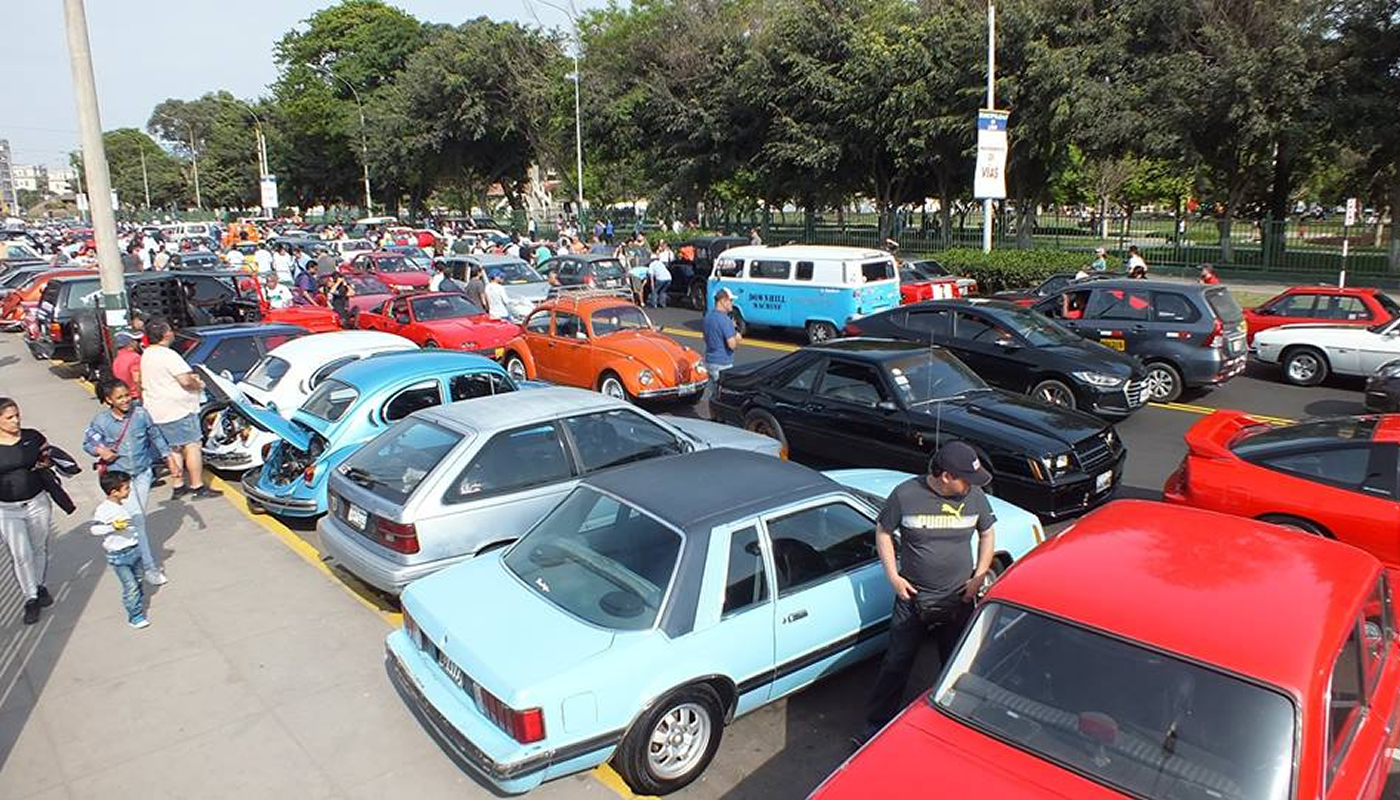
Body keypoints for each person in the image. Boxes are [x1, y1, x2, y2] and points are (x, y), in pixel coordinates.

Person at [859, 441, 997, 741]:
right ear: (946, 476)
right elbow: (883, 531)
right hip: (913, 599)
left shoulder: (974, 496)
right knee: (896, 663)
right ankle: (875, 727)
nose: (972, 486)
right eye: (966, 479)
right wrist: (893, 576)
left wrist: (979, 575)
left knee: (957, 663)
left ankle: (955, 721)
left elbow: (987, 532)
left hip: (959, 598)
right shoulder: (905, 495)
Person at [84, 379, 169, 585]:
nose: (125, 400)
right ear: (108, 400)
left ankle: (131, 552)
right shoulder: (101, 421)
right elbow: (88, 443)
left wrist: (168, 456)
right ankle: (149, 567)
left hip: (142, 474)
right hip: (120, 478)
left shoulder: (141, 414)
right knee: (138, 519)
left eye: (127, 395)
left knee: (136, 517)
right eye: (119, 397)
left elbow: (155, 435)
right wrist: (101, 450)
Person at [140, 317, 219, 499]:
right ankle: (197, 485)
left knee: (173, 449)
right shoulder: (168, 355)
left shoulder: (147, 355)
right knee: (192, 446)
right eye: (169, 329)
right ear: (165, 334)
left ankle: (178, 484)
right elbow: (185, 380)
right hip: (178, 409)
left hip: (157, 409)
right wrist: (197, 383)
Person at [0, 398, 56, 624]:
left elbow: (48, 457)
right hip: (7, 509)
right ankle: (30, 597)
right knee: (21, 554)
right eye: (9, 418)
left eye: (17, 415)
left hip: (37, 502)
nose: (16, 421)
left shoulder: (32, 437)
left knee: (39, 547)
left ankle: (39, 585)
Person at [90, 471, 151, 629]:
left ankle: (136, 600)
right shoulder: (104, 510)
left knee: (138, 580)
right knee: (130, 586)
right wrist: (112, 527)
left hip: (133, 549)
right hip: (119, 556)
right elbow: (94, 530)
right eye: (126, 488)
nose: (129, 490)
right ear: (113, 492)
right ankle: (135, 616)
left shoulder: (121, 505)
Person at [702, 289, 742, 409]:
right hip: (722, 363)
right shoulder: (725, 320)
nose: (732, 304)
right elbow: (732, 344)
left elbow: (705, 337)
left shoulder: (708, 316)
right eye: (730, 301)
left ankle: (713, 417)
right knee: (722, 396)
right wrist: (737, 335)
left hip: (709, 360)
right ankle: (719, 420)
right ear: (723, 301)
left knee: (714, 393)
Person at [110, 331, 144, 400]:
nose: (138, 343)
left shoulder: (117, 360)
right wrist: (142, 397)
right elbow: (137, 380)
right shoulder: (134, 357)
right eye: (137, 341)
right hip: (136, 396)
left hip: (126, 396)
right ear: (130, 343)